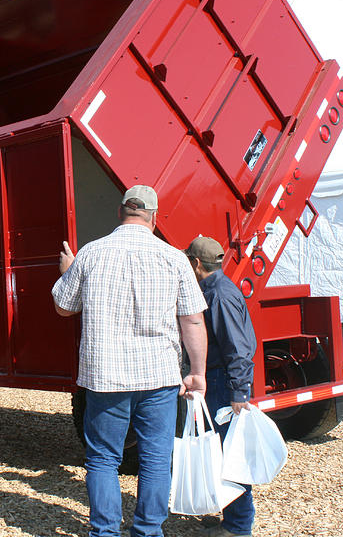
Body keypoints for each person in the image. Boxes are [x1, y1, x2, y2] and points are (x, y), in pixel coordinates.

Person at [52, 185, 209, 537]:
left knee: (104, 459)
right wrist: (197, 372)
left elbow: (63, 307)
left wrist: (68, 270)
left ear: (120, 212)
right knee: (155, 459)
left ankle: (105, 532)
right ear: (153, 218)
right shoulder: (174, 259)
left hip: (105, 378)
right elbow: (193, 320)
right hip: (159, 378)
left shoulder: (91, 255)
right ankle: (148, 531)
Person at [183, 236, 257, 537]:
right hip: (222, 379)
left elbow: (237, 348)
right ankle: (232, 517)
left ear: (196, 264)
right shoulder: (219, 289)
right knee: (221, 451)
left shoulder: (220, 296)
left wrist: (239, 392)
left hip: (222, 381)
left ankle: (238, 526)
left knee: (229, 454)